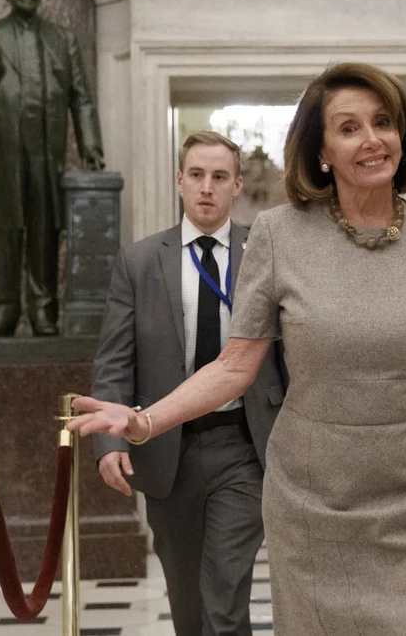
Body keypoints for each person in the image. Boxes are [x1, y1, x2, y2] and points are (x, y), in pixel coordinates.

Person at [70, 63, 406, 635]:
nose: (372, 139)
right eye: (349, 127)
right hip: (312, 499)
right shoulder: (278, 235)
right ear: (321, 151)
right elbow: (234, 366)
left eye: (383, 122)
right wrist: (144, 421)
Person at [90, 131, 287, 636]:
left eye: (219, 177)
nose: (207, 187)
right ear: (179, 181)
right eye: (196, 175)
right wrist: (110, 441)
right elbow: (115, 362)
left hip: (244, 445)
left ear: (237, 185)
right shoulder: (139, 262)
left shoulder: (264, 254)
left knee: (225, 596)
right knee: (187, 602)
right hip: (166, 451)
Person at [0, 0, 104, 337]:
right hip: (2, 156)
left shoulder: (62, 39)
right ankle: (4, 309)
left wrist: (91, 145)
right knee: (6, 231)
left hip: (46, 155)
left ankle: (43, 309)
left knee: (45, 231)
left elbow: (81, 98)